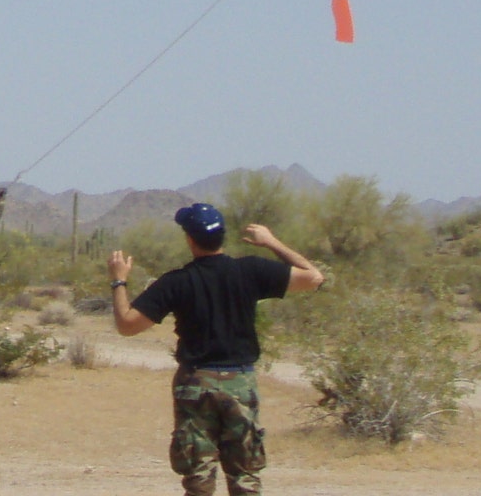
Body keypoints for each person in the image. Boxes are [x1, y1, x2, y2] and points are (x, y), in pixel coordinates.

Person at [109, 203, 324, 496]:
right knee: (245, 478)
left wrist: (119, 280)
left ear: (190, 239)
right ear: (222, 236)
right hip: (240, 383)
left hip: (196, 385)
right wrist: (271, 242)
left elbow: (127, 324)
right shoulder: (250, 270)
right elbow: (314, 277)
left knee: (198, 480)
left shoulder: (177, 281)